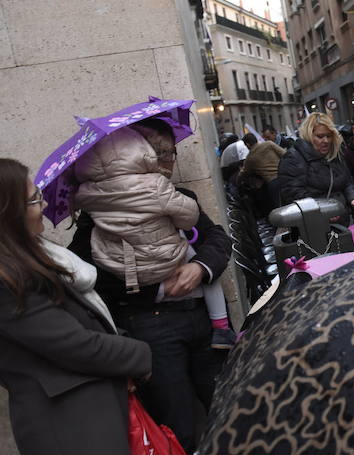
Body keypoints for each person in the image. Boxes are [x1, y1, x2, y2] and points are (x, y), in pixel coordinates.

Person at [0, 158, 152, 455]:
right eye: (34, 200)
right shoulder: (7, 278)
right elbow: (73, 345)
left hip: (82, 416)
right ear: (10, 213)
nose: (44, 207)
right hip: (68, 427)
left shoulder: (26, 257)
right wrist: (141, 355)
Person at [72, 120, 236, 350]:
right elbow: (87, 273)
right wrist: (156, 290)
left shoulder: (180, 197)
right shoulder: (99, 214)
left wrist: (200, 267)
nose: (168, 160)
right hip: (149, 324)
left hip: (204, 319)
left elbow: (217, 238)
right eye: (159, 152)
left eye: (170, 152)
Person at [277, 112, 354, 214]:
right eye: (320, 136)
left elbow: (347, 181)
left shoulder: (335, 153)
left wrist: (353, 199)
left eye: (329, 136)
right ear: (309, 135)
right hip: (313, 223)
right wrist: (324, 212)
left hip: (342, 218)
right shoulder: (294, 158)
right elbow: (294, 194)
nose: (326, 141)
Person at [240, 136, 286, 215]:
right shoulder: (269, 144)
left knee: (281, 209)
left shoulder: (250, 158)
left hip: (273, 183)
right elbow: (284, 154)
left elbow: (244, 173)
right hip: (285, 177)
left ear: (247, 144)